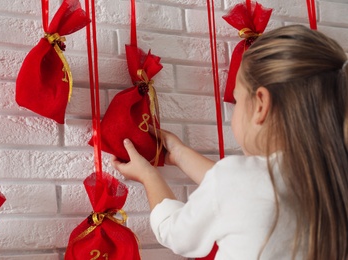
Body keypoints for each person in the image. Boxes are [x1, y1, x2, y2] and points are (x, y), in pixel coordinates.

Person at [111, 24, 348, 260]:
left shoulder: (237, 180)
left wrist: (148, 175)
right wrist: (180, 153)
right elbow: (246, 188)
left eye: (237, 99)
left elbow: (174, 231)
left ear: (261, 105)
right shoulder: (335, 180)